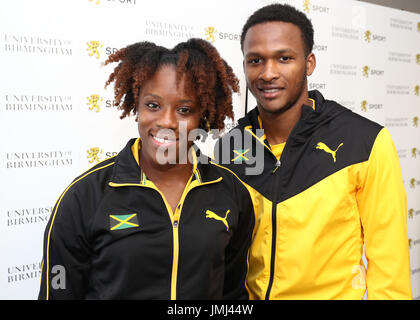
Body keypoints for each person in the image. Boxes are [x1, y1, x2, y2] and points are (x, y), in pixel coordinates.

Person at [213, 4, 412, 299]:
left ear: (309, 64)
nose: (268, 73)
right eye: (256, 60)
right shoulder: (232, 146)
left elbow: (389, 268)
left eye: (284, 58)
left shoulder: (366, 141)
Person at [38, 38, 255, 299]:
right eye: (153, 105)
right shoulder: (85, 196)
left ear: (203, 116)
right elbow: (59, 290)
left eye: (184, 110)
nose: (166, 121)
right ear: (137, 107)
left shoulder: (230, 192)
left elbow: (232, 293)